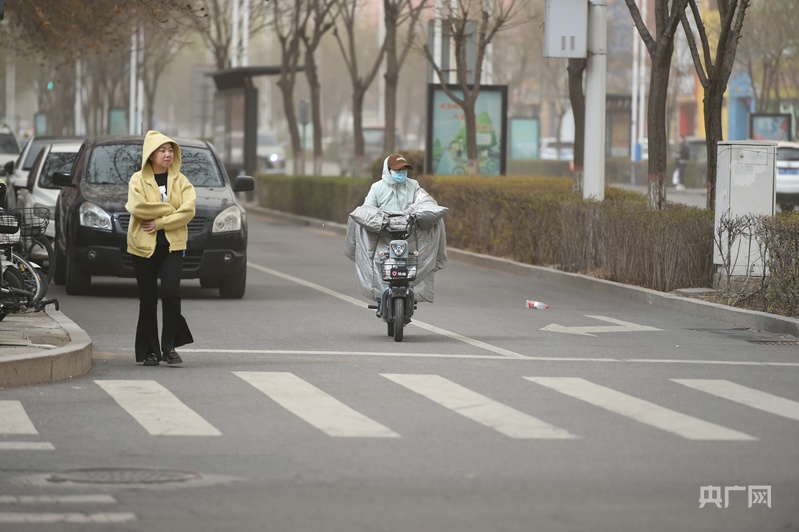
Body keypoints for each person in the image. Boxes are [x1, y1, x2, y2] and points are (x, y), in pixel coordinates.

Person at [125, 130, 196, 366]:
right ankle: (150, 351)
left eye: (170, 150)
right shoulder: (137, 180)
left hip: (172, 247)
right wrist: (169, 209)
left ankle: (169, 347)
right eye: (162, 150)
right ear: (151, 154)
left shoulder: (181, 181)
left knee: (171, 294)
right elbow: (138, 207)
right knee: (147, 300)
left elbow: (188, 211)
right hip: (142, 247)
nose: (167, 155)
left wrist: (161, 222)